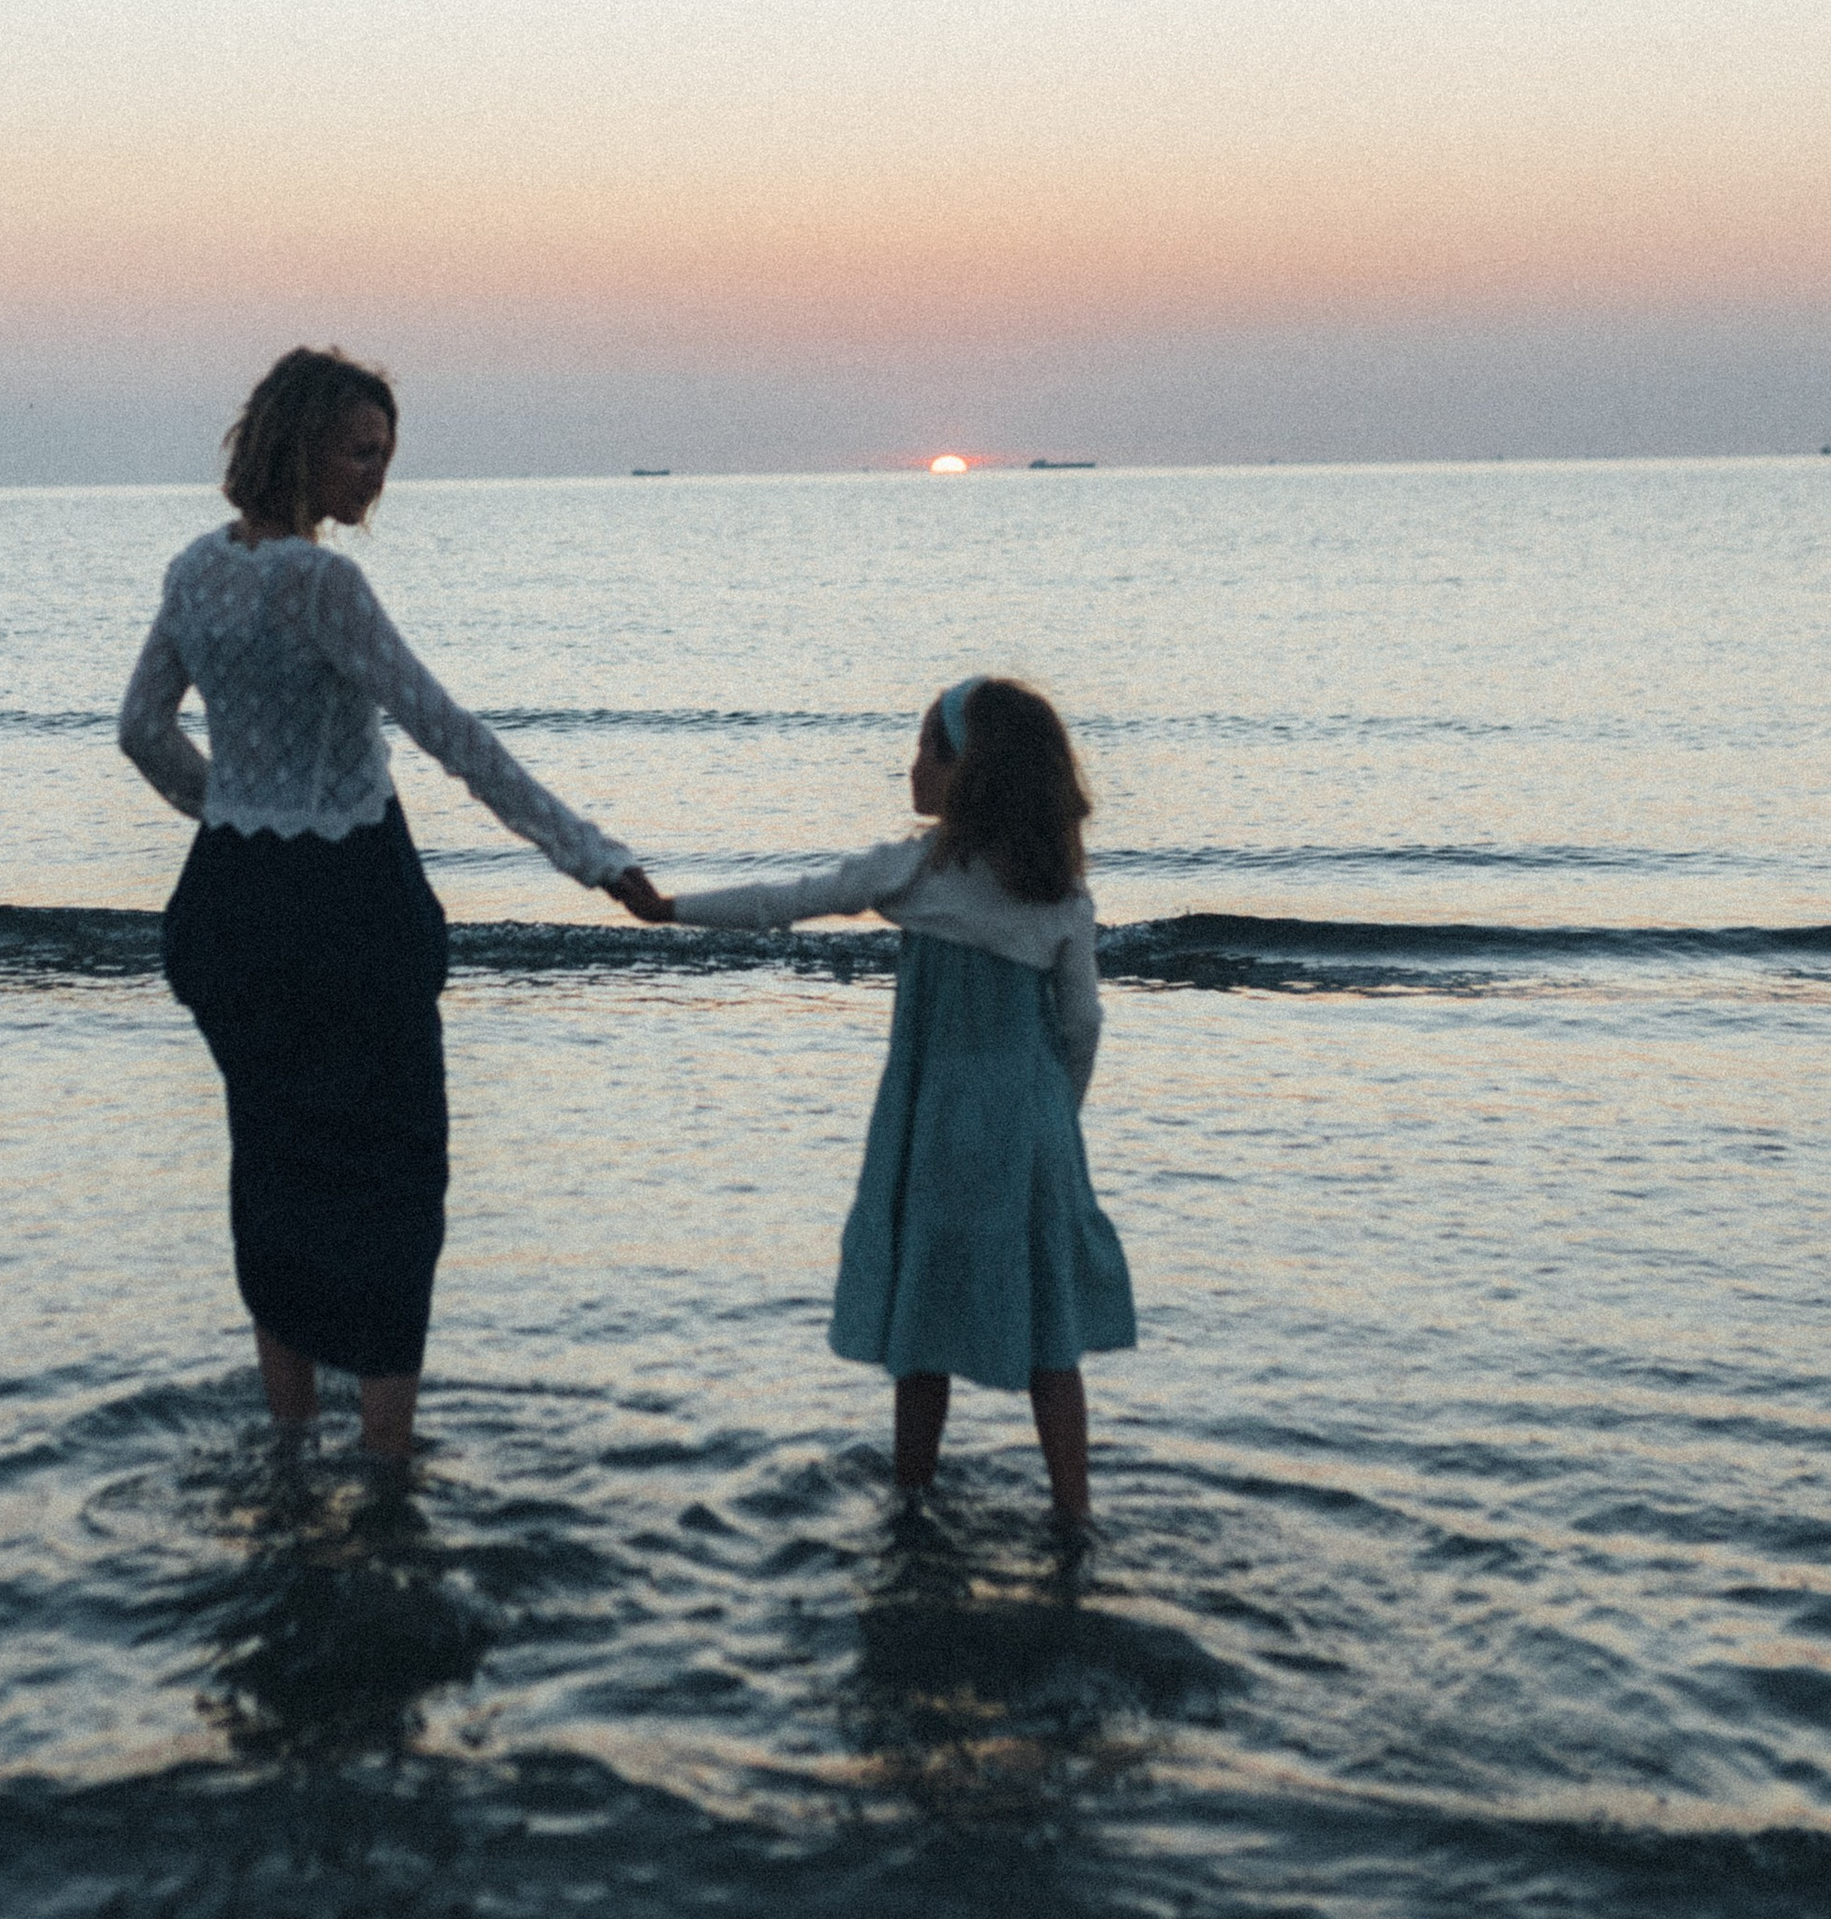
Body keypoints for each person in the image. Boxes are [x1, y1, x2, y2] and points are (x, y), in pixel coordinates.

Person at [120, 347, 666, 1463]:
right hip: (346, 911)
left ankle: (287, 1441)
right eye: (362, 451)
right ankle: (384, 1456)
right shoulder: (322, 585)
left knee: (271, 1164)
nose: (377, 475)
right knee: (392, 1175)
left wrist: (230, 808)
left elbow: (139, 730)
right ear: (303, 446)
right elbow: (446, 729)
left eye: (385, 453)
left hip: (230, 907)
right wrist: (594, 857)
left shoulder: (195, 572)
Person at [656, 675, 1132, 1524]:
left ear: (970, 771)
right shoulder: (1061, 897)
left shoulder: (912, 870)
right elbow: (1084, 1023)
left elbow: (783, 903)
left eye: (926, 748)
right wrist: (1058, 1115)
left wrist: (669, 908)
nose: (912, 766)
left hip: (937, 1130)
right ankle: (1074, 1514)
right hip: (1034, 1135)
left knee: (924, 1322)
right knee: (1050, 1332)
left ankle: (913, 1497)